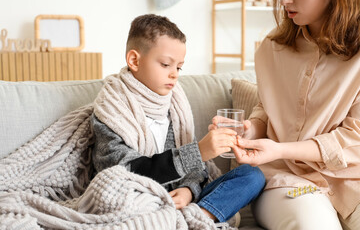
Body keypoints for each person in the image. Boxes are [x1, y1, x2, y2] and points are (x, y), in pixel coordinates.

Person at [91, 14, 265, 226]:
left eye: (179, 67)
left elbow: (196, 172)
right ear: (134, 60)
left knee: (252, 176)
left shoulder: (175, 104)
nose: (174, 74)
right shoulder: (112, 109)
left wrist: (188, 191)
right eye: (166, 64)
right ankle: (194, 219)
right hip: (138, 199)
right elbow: (123, 174)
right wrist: (198, 152)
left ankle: (195, 216)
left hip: (180, 201)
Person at [216, 0, 359, 229]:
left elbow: (355, 138)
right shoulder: (271, 48)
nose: (284, 0)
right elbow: (267, 107)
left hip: (349, 180)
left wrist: (280, 149)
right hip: (285, 180)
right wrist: (250, 130)